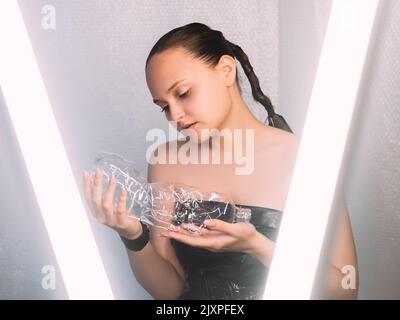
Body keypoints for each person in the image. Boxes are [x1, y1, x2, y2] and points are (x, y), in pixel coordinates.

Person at [83, 22, 358, 299]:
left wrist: (256, 245)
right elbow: (171, 292)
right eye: (164, 106)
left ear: (225, 70)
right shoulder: (166, 160)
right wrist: (133, 235)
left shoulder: (307, 159)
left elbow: (345, 290)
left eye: (183, 93)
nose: (174, 116)